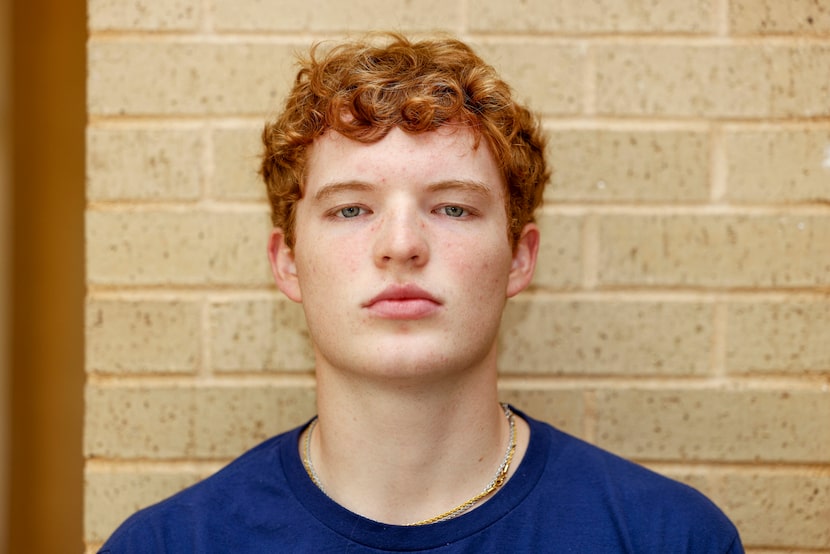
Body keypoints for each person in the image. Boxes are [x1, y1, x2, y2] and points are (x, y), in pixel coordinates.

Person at [100, 33, 743, 553]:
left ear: (520, 258)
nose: (401, 245)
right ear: (288, 263)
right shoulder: (166, 544)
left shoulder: (670, 538)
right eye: (351, 209)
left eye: (454, 209)